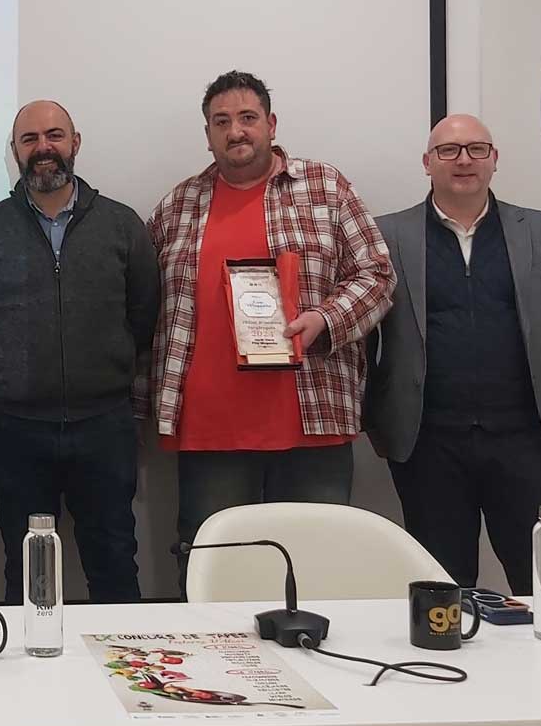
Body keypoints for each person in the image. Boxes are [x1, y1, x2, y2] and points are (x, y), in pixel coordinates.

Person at [141, 71, 395, 557]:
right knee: (215, 570)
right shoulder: (177, 205)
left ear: (271, 125)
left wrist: (325, 320)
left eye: (247, 118)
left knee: (315, 566)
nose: (235, 131)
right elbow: (142, 303)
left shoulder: (325, 187)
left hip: (311, 421)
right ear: (208, 134)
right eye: (221, 122)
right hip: (209, 431)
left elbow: (378, 274)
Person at [0, 100, 160, 604]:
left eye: (54, 135)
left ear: (74, 142)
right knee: (26, 570)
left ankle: (121, 655)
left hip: (103, 425)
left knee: (113, 559)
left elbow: (144, 312)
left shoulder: (121, 225)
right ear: (15, 151)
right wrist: (4, 373)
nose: (44, 148)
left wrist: (106, 368)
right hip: (14, 430)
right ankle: (31, 657)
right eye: (30, 139)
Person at [365, 115, 541, 593]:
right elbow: (365, 339)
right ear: (428, 163)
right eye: (448, 150)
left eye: (476, 149)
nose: (463, 160)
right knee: (443, 592)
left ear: (494, 159)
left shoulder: (539, 230)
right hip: (428, 445)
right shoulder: (389, 235)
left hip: (525, 441)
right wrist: (380, 423)